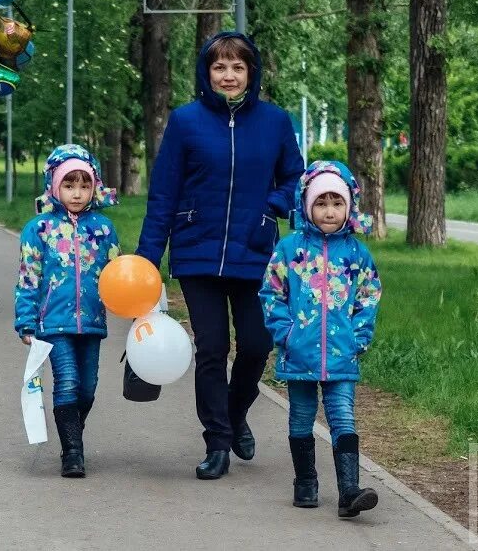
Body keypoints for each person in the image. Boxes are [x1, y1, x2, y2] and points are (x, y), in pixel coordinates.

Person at [135, 32, 305, 479]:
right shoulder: (185, 121)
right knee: (211, 348)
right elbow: (163, 194)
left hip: (255, 252)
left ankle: (233, 414)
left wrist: (271, 207)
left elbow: (295, 180)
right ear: (206, 73)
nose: (228, 75)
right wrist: (145, 264)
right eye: (219, 67)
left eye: (237, 67)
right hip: (197, 251)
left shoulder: (275, 123)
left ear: (252, 72)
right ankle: (217, 442)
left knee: (256, 344)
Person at [260, 160, 382, 518]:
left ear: (349, 207)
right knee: (300, 417)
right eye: (322, 203)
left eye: (337, 203)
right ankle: (306, 482)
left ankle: (349, 492)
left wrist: (358, 338)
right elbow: (272, 294)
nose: (330, 211)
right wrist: (286, 334)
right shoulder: (290, 250)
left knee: (343, 416)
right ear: (307, 206)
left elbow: (369, 297)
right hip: (299, 353)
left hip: (343, 354)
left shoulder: (357, 254)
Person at [14, 144, 120, 478]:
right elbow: (28, 277)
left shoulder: (103, 229)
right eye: (69, 185)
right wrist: (26, 321)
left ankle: (72, 430)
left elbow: (119, 275)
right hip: (52, 323)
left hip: (92, 322)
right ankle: (72, 452)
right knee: (68, 381)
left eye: (84, 185)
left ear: (94, 187)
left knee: (87, 388)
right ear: (55, 186)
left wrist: (139, 308)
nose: (77, 193)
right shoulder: (39, 229)